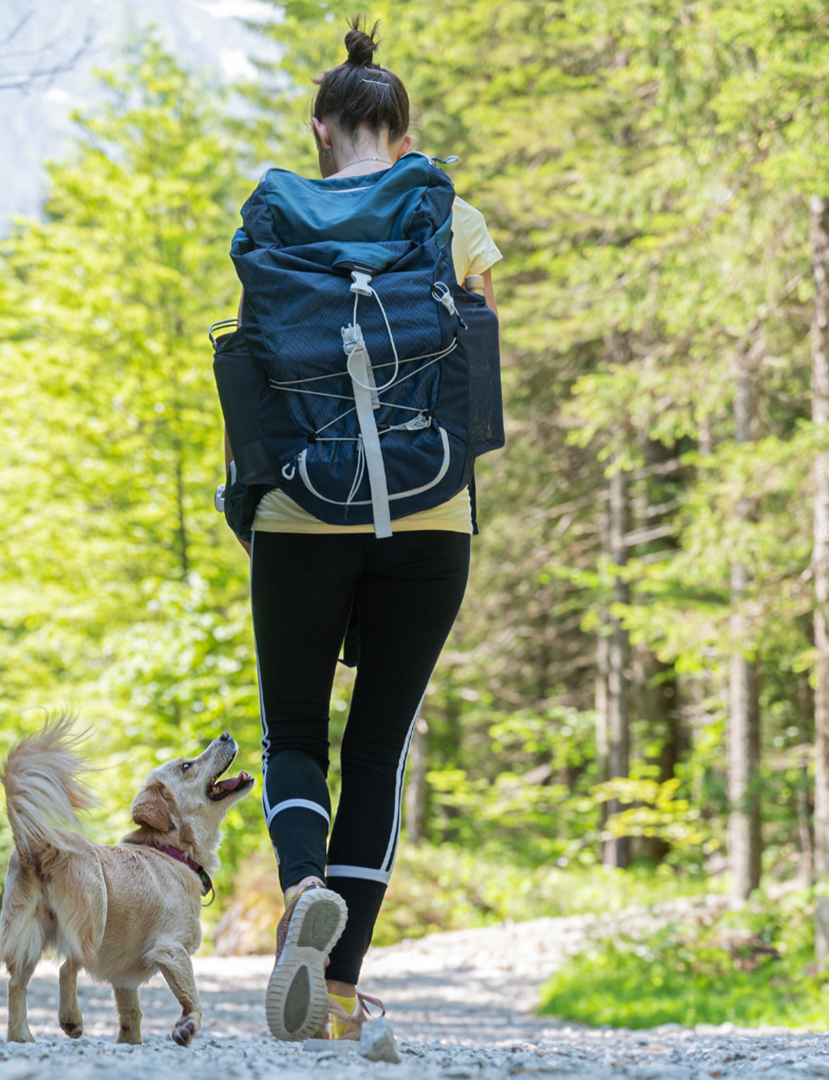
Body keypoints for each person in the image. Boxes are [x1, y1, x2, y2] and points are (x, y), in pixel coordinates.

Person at [229, 20, 502, 1043]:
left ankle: (303, 886)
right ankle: (339, 990)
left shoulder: (274, 216)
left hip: (301, 505)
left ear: (319, 129)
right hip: (430, 511)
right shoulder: (452, 217)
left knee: (294, 734)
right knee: (377, 747)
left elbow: (258, 368)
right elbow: (480, 369)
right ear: (402, 129)